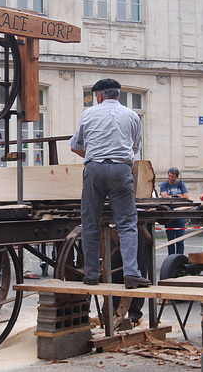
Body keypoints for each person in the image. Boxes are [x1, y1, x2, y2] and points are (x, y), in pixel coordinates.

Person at [70, 78, 151, 289]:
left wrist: (94, 156)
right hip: (121, 170)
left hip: (94, 168)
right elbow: (134, 148)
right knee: (126, 224)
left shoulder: (89, 114)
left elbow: (75, 145)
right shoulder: (132, 115)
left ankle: (90, 274)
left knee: (89, 223)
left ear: (99, 96)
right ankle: (132, 274)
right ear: (118, 94)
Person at [159, 167, 189, 255]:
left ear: (177, 177)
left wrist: (171, 197)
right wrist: (178, 196)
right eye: (169, 176)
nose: (170, 178)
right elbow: (164, 196)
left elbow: (186, 197)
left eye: (173, 177)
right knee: (170, 241)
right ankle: (171, 259)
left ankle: (180, 258)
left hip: (180, 215)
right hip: (169, 216)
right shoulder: (164, 185)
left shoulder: (180, 184)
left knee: (180, 240)